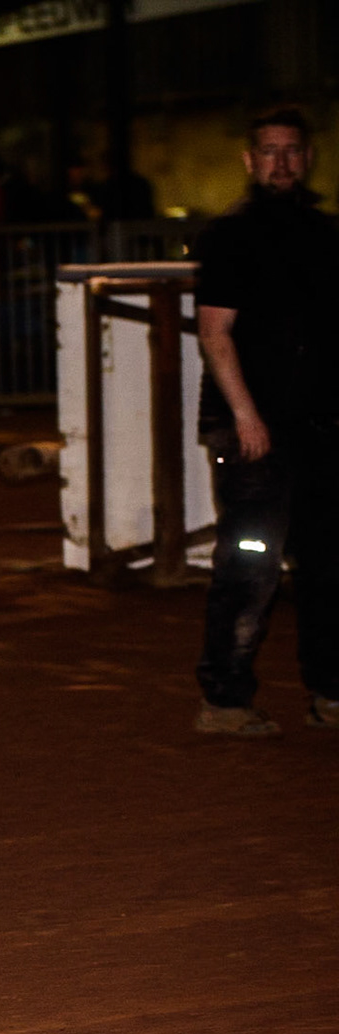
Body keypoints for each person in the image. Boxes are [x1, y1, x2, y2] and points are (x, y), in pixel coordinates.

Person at [190, 107, 339, 735]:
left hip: (320, 427)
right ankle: (224, 700)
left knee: (329, 562)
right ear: (250, 161)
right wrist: (247, 417)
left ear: (308, 158)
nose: (281, 162)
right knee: (250, 562)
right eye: (268, 152)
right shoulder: (231, 236)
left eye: (291, 151)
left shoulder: (327, 234)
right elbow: (215, 334)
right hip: (253, 429)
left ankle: (330, 694)